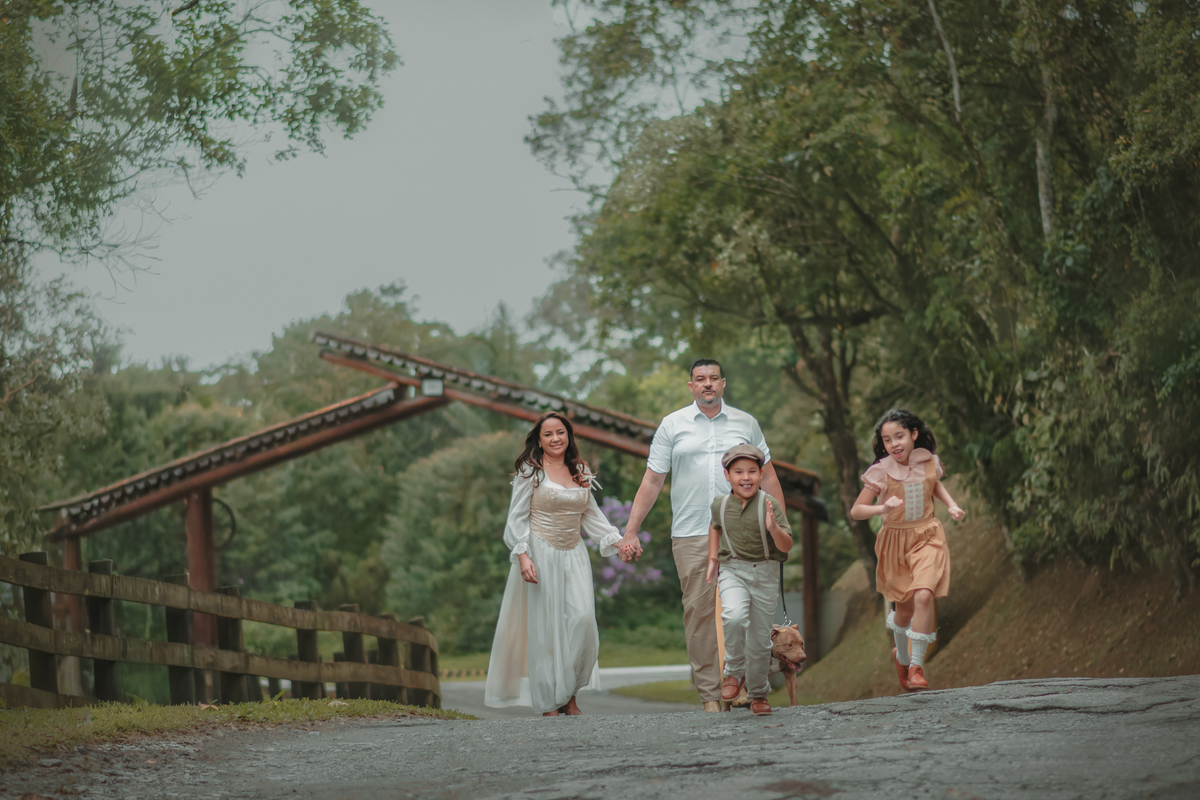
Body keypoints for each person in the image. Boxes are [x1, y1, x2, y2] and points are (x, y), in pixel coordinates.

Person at [618, 358, 784, 712]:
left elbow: (768, 476)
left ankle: (742, 683)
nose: (707, 384)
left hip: (747, 531)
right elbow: (652, 479)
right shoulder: (672, 425)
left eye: (713, 378)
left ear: (723, 383)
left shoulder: (746, 423)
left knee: (745, 611)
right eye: (699, 379)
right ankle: (710, 694)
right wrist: (631, 530)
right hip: (692, 531)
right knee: (699, 613)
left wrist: (778, 526)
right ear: (691, 386)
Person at [484, 411, 623, 716]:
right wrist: (522, 555)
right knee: (547, 629)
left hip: (574, 554)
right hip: (539, 552)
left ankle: (570, 692)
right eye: (548, 434)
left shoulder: (581, 471)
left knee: (583, 621)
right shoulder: (529, 471)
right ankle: (553, 701)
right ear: (539, 439)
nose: (555, 439)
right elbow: (516, 518)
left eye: (560, 432)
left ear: (568, 435)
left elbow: (592, 515)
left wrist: (618, 542)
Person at [851, 408, 965, 691]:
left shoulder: (929, 462)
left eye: (899, 436)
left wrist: (951, 504)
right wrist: (881, 507)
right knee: (903, 609)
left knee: (924, 595)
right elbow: (856, 510)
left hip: (928, 536)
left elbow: (934, 484)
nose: (894, 444)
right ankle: (901, 657)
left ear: (914, 434)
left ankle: (916, 666)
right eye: (887, 440)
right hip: (895, 543)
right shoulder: (880, 471)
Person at [705, 444, 793, 716]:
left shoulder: (770, 504)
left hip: (765, 573)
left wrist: (773, 527)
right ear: (727, 475)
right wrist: (712, 559)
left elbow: (787, 544)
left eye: (752, 471)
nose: (746, 477)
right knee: (733, 616)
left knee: (759, 642)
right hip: (732, 570)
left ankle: (758, 693)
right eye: (739, 471)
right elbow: (715, 526)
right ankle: (733, 671)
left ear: (761, 473)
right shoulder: (720, 504)